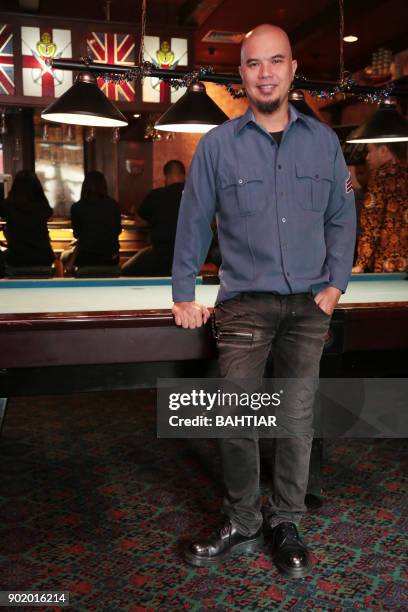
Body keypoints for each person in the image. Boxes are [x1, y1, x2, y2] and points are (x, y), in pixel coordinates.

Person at [171, 24, 356, 577]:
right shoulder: (217, 146)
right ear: (243, 74)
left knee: (297, 420)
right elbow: (192, 221)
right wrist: (184, 292)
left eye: (277, 61)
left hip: (307, 308)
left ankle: (286, 521)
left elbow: (341, 217)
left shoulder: (324, 142)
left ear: (294, 69)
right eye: (255, 63)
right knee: (236, 417)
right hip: (244, 305)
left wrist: (335, 285)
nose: (266, 72)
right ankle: (244, 520)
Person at [121, 160, 185, 276]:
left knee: (124, 270)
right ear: (184, 175)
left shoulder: (156, 195)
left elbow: (139, 222)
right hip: (191, 256)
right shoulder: (198, 196)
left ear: (166, 176)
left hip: (161, 254)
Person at [353, 143, 407, 273]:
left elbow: (371, 225)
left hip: (387, 264)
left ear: (383, 151)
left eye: (370, 151)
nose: (367, 157)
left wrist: (361, 264)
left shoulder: (379, 176)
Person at [62, 171, 122, 271]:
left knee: (64, 256)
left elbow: (77, 235)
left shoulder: (77, 207)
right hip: (110, 257)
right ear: (104, 186)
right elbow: (118, 230)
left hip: (86, 258)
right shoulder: (113, 205)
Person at [0, 170, 54, 268]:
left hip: (16, 258)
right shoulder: (43, 206)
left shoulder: (7, 206)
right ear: (37, 187)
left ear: (15, 187)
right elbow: (48, 214)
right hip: (42, 257)